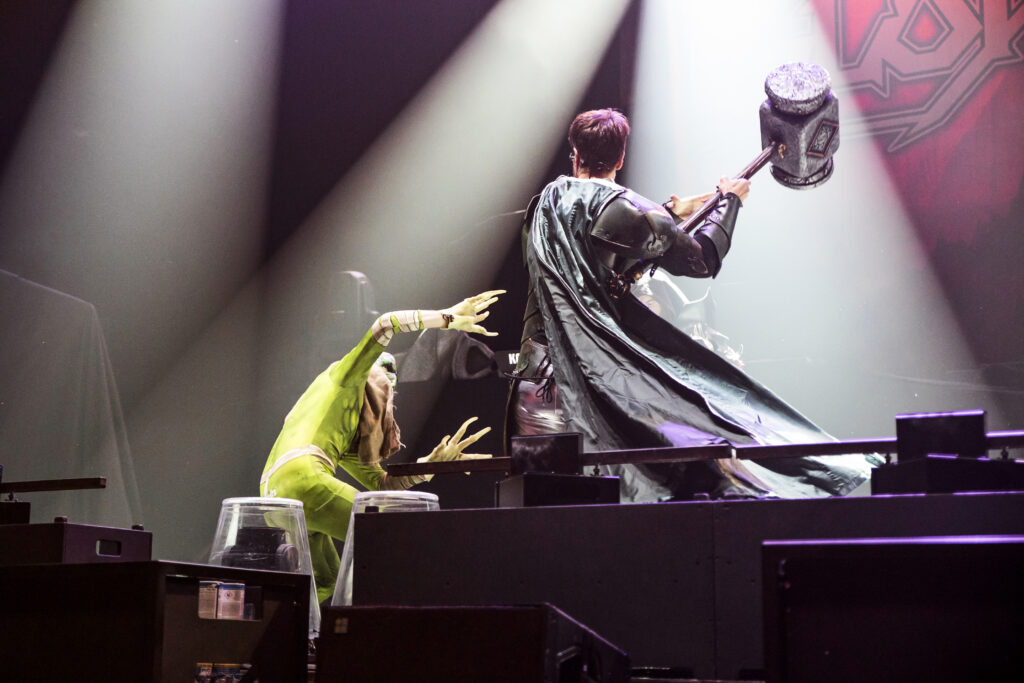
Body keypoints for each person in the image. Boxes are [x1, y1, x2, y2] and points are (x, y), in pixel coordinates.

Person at [507, 108, 875, 501]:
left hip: (535, 386)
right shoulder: (629, 209)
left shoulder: (542, 206)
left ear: (574, 152)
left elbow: (595, 246)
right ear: (621, 158)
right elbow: (702, 259)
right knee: (682, 463)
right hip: (596, 383)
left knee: (541, 508)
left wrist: (668, 211)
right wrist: (730, 203)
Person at [261, 290, 503, 603]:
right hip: (303, 480)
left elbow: (382, 484)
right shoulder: (346, 377)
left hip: (272, 492)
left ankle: (310, 644)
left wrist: (430, 464)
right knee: (392, 531)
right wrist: (446, 319)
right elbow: (385, 325)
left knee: (324, 584)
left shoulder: (342, 427)